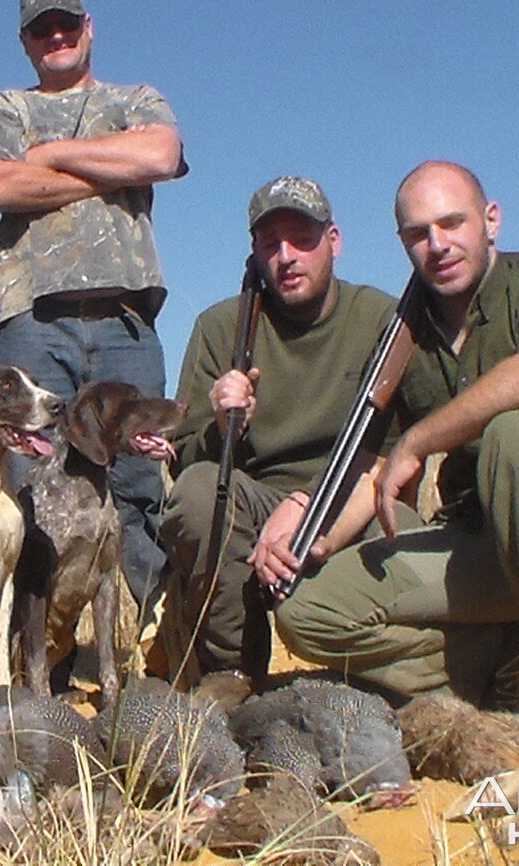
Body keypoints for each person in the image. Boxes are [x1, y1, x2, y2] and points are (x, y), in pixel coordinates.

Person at [275, 160, 519, 731]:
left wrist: (422, 437)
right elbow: (378, 464)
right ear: (403, 243)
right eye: (418, 233)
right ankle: (493, 662)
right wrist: (315, 540)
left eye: (452, 223)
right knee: (309, 612)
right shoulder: (405, 336)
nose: (437, 244)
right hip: (481, 543)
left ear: (491, 220)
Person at [0, 0, 186, 603]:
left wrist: (55, 155)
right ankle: (37, 679)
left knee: (139, 481)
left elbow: (161, 154)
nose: (56, 36)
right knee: (33, 484)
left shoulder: (135, 98)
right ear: (25, 41)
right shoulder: (6, 108)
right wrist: (108, 175)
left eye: (66, 24)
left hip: (125, 322)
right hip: (35, 318)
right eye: (41, 28)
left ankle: (150, 646)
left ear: (89, 27)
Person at [156, 176, 409, 685]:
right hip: (257, 512)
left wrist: (311, 507)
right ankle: (230, 672)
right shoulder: (219, 327)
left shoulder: (384, 317)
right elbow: (184, 455)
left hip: (353, 499)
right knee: (202, 492)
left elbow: (400, 447)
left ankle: (399, 668)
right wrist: (222, 425)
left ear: (333, 241)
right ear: (255, 252)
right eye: (271, 244)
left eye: (303, 239)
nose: (287, 256)